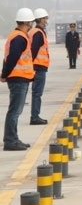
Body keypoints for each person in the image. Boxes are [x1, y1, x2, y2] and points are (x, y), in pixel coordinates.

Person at [2, 8, 37, 151]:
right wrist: (4, 74)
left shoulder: (17, 36)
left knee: (16, 111)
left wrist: (5, 73)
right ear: (27, 22)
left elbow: (8, 58)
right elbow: (12, 58)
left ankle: (14, 139)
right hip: (18, 78)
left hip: (20, 78)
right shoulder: (19, 38)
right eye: (31, 22)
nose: (32, 24)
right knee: (14, 111)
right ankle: (10, 141)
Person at [28, 8, 51, 125]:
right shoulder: (38, 33)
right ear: (40, 19)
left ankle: (35, 116)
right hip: (38, 66)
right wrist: (31, 66)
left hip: (38, 66)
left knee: (36, 92)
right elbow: (34, 50)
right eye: (45, 18)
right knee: (37, 93)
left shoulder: (35, 31)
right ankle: (35, 117)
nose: (46, 20)